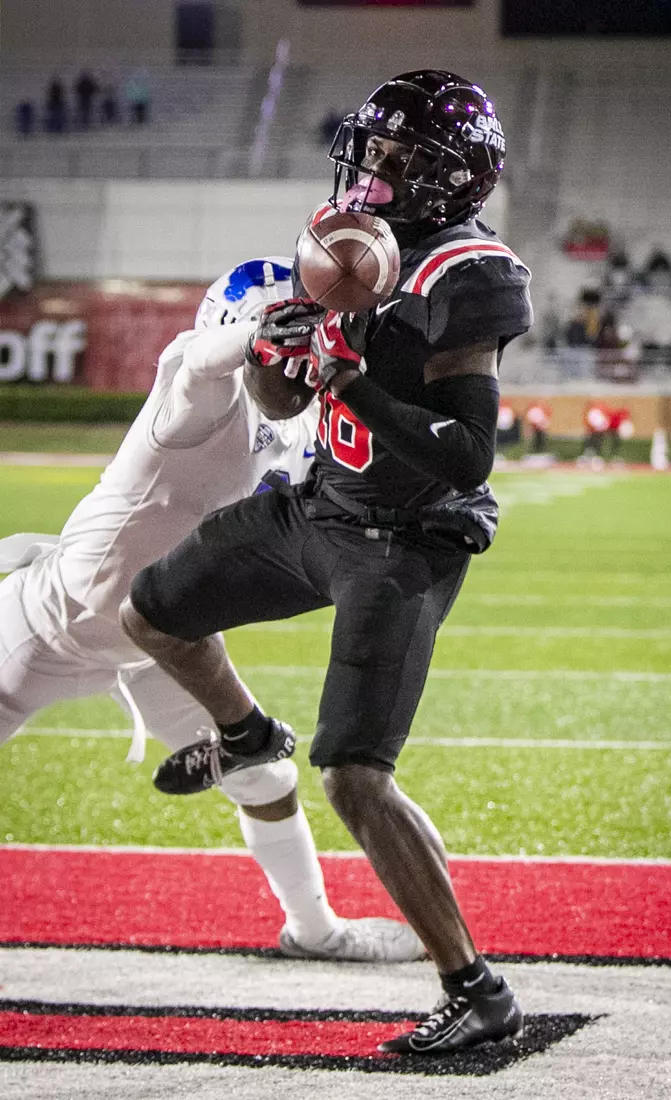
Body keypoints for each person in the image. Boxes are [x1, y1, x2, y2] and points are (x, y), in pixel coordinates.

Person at [121, 69, 532, 1055]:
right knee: (151, 611)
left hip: (404, 542)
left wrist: (355, 373)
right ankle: (247, 731)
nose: (370, 171)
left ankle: (476, 990)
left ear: (448, 181)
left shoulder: (466, 273)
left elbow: (466, 449)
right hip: (321, 509)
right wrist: (283, 355)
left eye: (397, 162)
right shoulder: (349, 241)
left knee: (353, 774)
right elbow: (277, 408)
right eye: (371, 150)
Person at [0, 255, 423, 965]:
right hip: (43, 626)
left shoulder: (298, 425)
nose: (294, 366)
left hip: (157, 638)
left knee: (265, 779)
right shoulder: (204, 393)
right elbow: (199, 358)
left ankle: (313, 930)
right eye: (283, 345)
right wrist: (265, 331)